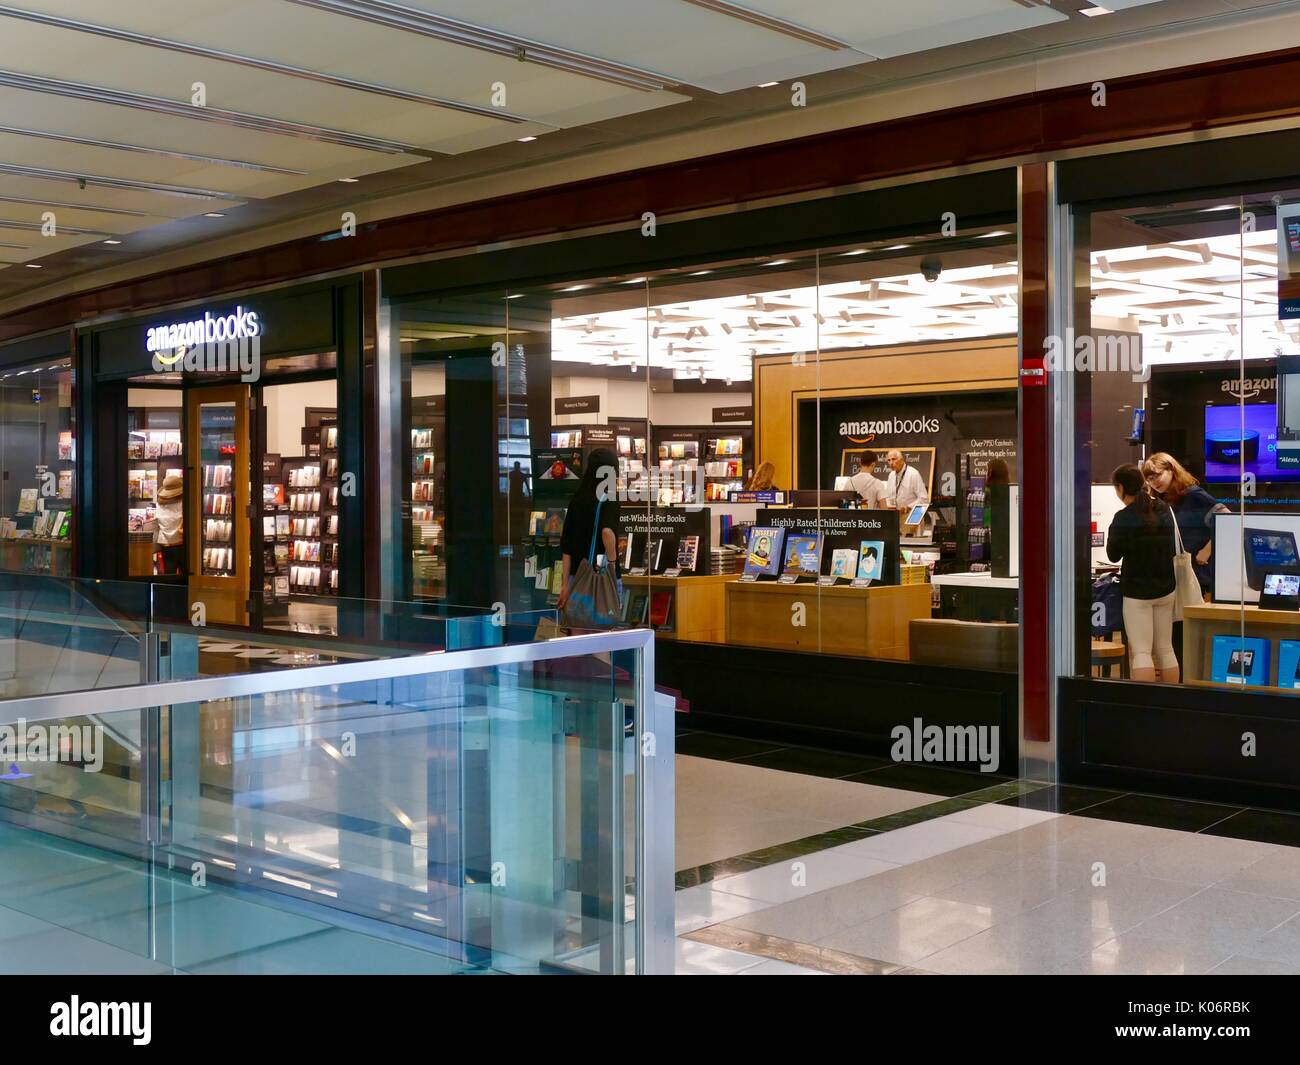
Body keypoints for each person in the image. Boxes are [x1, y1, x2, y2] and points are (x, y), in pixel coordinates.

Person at [1106, 463, 1179, 683]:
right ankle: (1171, 697)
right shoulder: (1163, 508)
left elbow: (1113, 555)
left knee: (1141, 652)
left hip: (1137, 593)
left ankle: (1145, 700)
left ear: (1120, 488)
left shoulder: (1123, 517)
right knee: (1166, 648)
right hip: (1166, 588)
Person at [1142, 452, 1227, 596]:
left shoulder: (1193, 495)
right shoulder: (1161, 501)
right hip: (1175, 574)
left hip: (1198, 575)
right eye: (1149, 479)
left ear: (1171, 469)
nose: (1154, 482)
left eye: (1157, 475)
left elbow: (1227, 520)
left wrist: (1207, 551)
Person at [556, 447, 620, 612]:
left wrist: (564, 585)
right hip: (600, 578)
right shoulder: (609, 496)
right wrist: (612, 564)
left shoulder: (577, 499)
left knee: (577, 625)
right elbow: (607, 532)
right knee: (605, 624)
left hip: (575, 579)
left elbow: (567, 549)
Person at [154, 472, 184, 575]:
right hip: (180, 541)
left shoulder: (159, 504)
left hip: (165, 543)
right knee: (185, 573)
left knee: (169, 572)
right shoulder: (182, 503)